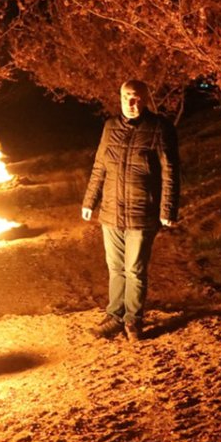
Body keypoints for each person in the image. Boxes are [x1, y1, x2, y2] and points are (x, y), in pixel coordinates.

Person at [81, 80, 180, 341]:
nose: (131, 103)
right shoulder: (110, 127)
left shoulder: (159, 128)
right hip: (111, 212)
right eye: (126, 97)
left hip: (141, 212)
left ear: (145, 98)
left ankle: (133, 321)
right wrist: (89, 201)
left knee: (135, 270)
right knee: (115, 268)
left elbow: (170, 172)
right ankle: (114, 316)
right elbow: (99, 167)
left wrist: (167, 209)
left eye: (136, 98)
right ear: (120, 97)